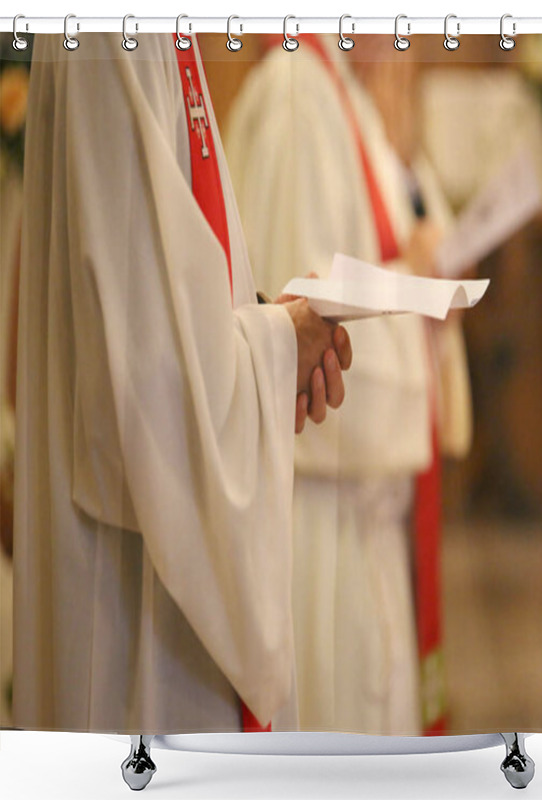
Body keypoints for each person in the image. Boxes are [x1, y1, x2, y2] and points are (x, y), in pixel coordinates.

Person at [12, 32, 351, 734]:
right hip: (133, 607)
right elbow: (140, 371)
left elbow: (163, 290)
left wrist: (269, 329)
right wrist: (283, 344)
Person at [225, 34, 471, 735]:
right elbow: (296, 330)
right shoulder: (297, 92)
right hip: (320, 527)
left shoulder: (349, 98)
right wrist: (420, 285)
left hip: (366, 515)